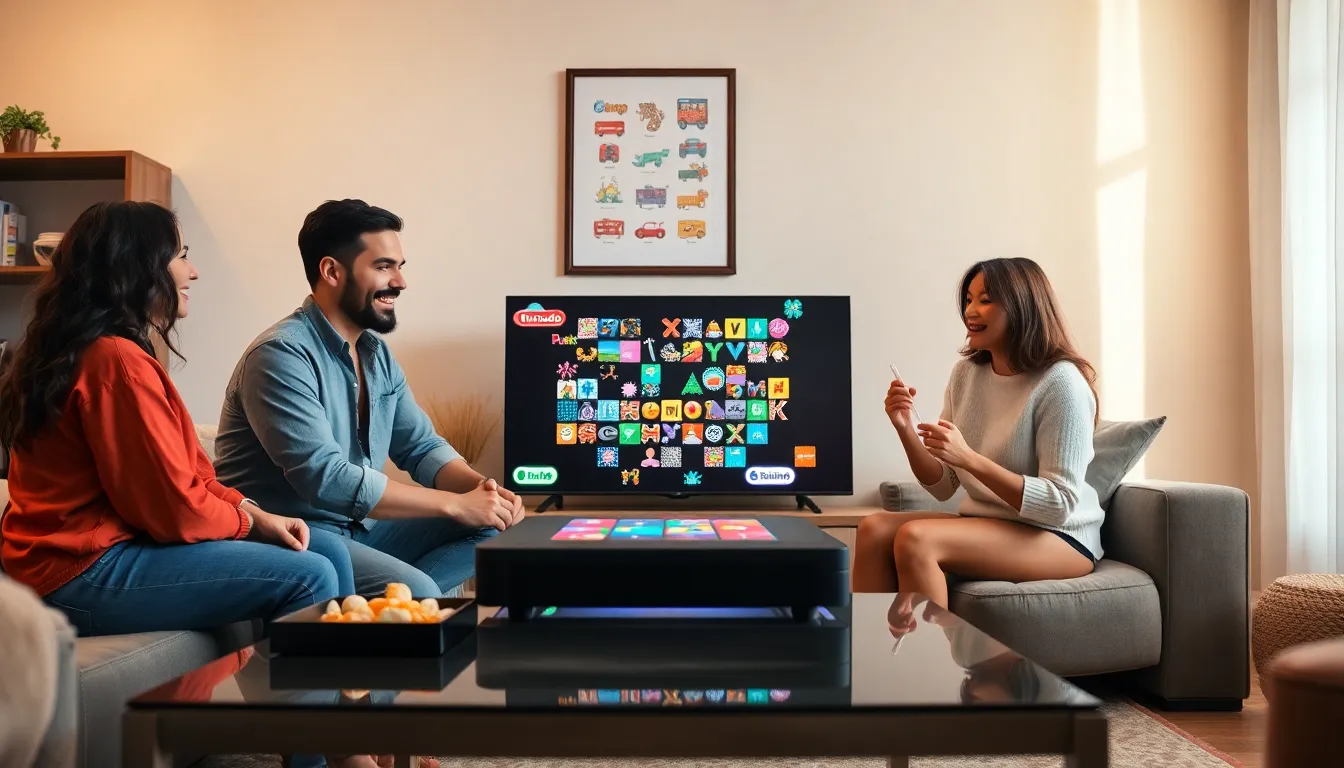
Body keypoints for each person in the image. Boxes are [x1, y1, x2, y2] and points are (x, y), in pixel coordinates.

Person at [0, 201, 354, 638]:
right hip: (77, 574)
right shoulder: (114, 362)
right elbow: (173, 510)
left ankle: (349, 702)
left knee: (329, 550)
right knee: (311, 575)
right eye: (182, 255)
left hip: (96, 555)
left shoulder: (108, 352)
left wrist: (250, 512)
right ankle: (303, 708)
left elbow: (186, 477)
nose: (193, 272)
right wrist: (246, 525)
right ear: (137, 265)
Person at [213, 199, 524, 599]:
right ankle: (406, 601)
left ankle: (391, 606)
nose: (400, 281)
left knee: (491, 527)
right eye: (383, 267)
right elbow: (325, 478)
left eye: (400, 266)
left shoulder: (375, 353)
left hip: (358, 529)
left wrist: (485, 492)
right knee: (418, 588)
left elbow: (421, 447)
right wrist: (452, 504)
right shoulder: (280, 355)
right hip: (295, 536)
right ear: (331, 272)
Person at [853, 257, 1101, 606]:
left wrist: (969, 458)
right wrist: (906, 429)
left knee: (916, 538)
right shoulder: (966, 375)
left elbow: (1057, 505)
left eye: (985, 300)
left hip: (1059, 536)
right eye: (969, 299)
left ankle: (930, 661)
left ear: (1023, 308)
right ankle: (876, 655)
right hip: (990, 522)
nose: (971, 310)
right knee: (874, 529)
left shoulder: (1061, 383)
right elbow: (942, 486)